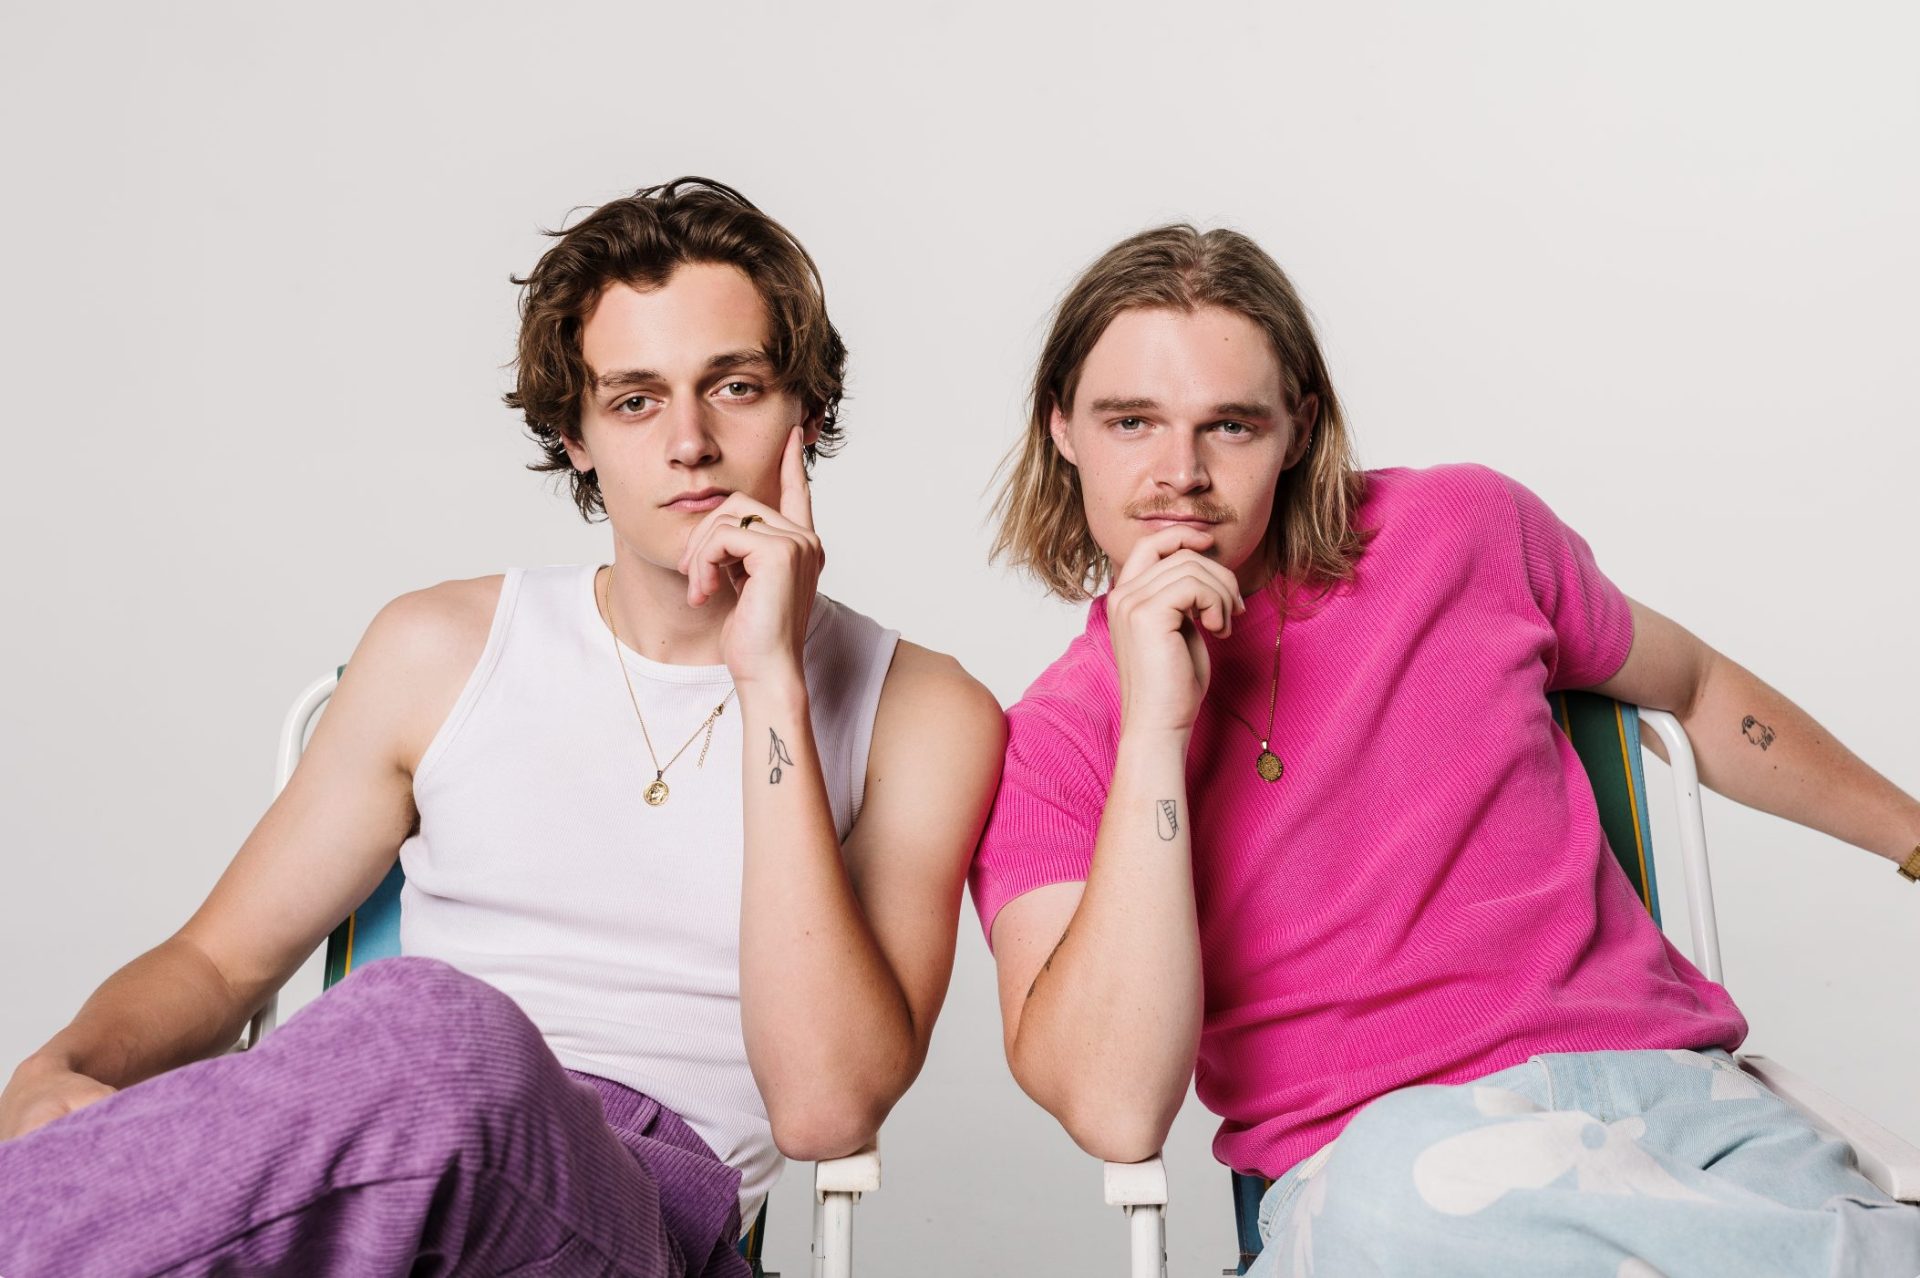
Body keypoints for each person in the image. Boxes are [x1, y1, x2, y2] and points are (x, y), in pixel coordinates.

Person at [0, 177, 1005, 1277]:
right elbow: (215, 962)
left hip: (640, 1216)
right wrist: (59, 1069)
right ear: (575, 435)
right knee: (405, 1056)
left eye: (735, 387)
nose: (690, 442)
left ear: (802, 411)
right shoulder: (441, 650)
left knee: (437, 1028)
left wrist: (769, 678)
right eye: (635, 401)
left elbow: (824, 1110)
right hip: (377, 1169)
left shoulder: (920, 714)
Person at [972, 222, 1920, 1276]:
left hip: (1678, 1106)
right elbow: (1112, 1107)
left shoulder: (1461, 529)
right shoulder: (1050, 746)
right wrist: (1154, 729)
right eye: (1132, 421)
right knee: (1396, 1194)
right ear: (1062, 426)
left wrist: (1915, 839)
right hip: (1391, 1174)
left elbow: (1692, 690)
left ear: (1298, 429)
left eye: (1231, 425)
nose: (1181, 473)